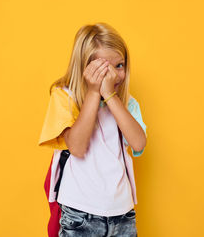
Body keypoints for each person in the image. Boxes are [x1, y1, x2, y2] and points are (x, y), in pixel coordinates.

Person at [38, 22, 147, 236]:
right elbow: (77, 147)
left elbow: (139, 143)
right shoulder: (65, 97)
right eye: (105, 69)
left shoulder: (126, 102)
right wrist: (93, 93)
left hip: (122, 214)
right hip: (79, 213)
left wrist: (111, 97)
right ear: (84, 67)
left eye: (120, 65)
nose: (115, 76)